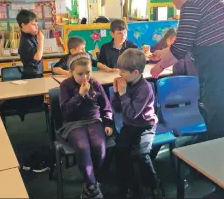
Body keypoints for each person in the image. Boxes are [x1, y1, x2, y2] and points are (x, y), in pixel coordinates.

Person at [150, 0, 224, 141]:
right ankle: (220, 156)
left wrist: (159, 67)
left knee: (219, 121)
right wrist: (162, 54)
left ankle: (218, 161)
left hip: (222, 67)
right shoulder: (209, 0)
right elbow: (185, 44)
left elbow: (180, 49)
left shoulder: (190, 6)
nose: (173, 0)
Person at [59, 52, 113, 199]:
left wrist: (108, 122)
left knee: (99, 147)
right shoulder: (65, 86)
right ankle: (92, 185)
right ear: (71, 72)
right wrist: (80, 95)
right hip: (73, 123)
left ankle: (90, 180)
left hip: (94, 120)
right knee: (83, 147)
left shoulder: (95, 83)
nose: (85, 77)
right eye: (80, 74)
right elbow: (65, 112)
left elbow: (106, 106)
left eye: (88, 73)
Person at [111, 48, 164, 198]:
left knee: (142, 153)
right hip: (130, 126)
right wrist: (116, 93)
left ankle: (153, 184)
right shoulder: (125, 83)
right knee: (120, 149)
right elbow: (116, 109)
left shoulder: (144, 88)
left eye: (123, 72)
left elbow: (133, 114)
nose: (120, 75)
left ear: (135, 73)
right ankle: (128, 184)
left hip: (146, 126)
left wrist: (122, 93)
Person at [53, 37, 117, 75]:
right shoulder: (66, 59)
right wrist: (69, 73)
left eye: (84, 48)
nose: (84, 51)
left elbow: (96, 63)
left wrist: (108, 69)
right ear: (72, 51)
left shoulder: (85, 56)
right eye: (81, 49)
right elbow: (55, 69)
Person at [17, 9, 44, 80]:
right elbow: (38, 57)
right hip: (31, 76)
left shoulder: (31, 36)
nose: (36, 27)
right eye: (33, 24)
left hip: (37, 73)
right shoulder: (25, 41)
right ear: (23, 25)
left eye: (37, 24)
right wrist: (41, 40)